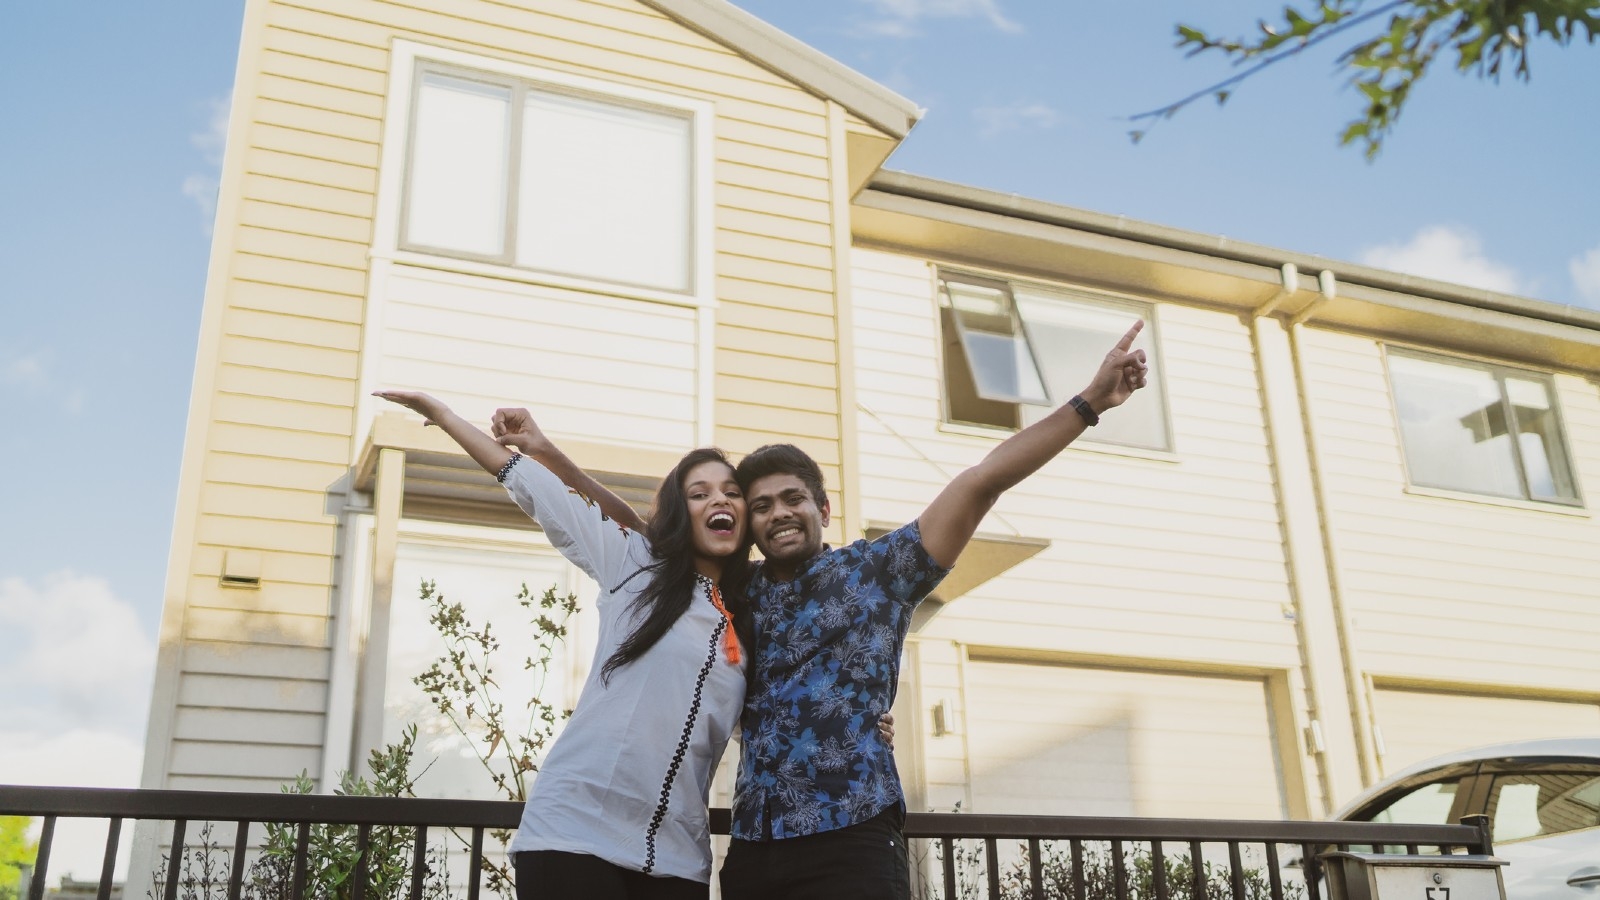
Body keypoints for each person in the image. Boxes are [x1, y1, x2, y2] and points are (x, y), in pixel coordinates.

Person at [370, 392, 894, 899]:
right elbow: (531, 484)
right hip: (575, 832)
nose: (719, 500)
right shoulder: (635, 569)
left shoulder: (751, 617)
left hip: (677, 861)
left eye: (731, 493)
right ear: (681, 513)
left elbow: (779, 710)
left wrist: (864, 721)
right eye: (699, 493)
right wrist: (443, 415)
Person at [717, 322, 1151, 900]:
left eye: (793, 498)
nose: (779, 514)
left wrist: (1089, 402)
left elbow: (981, 483)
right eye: (762, 506)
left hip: (853, 842)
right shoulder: (735, 595)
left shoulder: (877, 571)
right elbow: (648, 551)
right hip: (754, 847)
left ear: (822, 506)